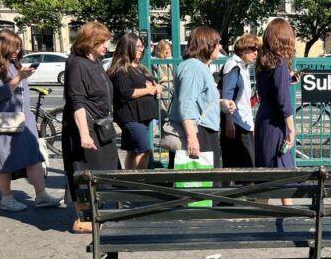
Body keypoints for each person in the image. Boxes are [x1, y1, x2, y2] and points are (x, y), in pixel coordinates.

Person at [0, 30, 61, 211]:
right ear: (2, 46)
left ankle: (41, 195)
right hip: (3, 118)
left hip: (24, 118)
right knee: (3, 158)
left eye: (19, 47)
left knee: (34, 156)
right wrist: (19, 77)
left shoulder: (14, 64)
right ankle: (6, 199)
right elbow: (0, 94)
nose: (17, 51)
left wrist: (22, 74)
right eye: (14, 47)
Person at [62, 22, 120, 233]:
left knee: (104, 169)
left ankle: (97, 213)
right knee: (84, 172)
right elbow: (77, 102)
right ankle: (83, 220)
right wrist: (84, 134)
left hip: (101, 126)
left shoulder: (94, 62)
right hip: (86, 128)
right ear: (90, 42)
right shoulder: (76, 64)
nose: (106, 46)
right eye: (102, 42)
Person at [169, 26, 235, 168]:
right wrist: (192, 138)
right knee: (201, 179)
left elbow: (198, 100)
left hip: (201, 130)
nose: (219, 47)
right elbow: (186, 103)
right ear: (208, 45)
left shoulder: (196, 66)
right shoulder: (194, 67)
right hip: (199, 133)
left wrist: (221, 103)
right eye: (217, 43)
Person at [107, 33, 162, 170]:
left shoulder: (139, 67)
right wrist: (149, 90)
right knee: (144, 150)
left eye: (142, 46)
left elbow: (148, 85)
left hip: (142, 116)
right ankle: (140, 179)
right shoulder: (121, 69)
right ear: (128, 47)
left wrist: (156, 87)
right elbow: (126, 93)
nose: (141, 49)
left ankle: (129, 178)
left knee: (133, 150)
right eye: (138, 46)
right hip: (130, 116)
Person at [255, 18, 297, 188]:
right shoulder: (281, 64)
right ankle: (287, 207)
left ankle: (263, 204)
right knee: (282, 173)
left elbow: (271, 89)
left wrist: (288, 80)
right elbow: (283, 101)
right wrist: (292, 129)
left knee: (266, 174)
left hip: (263, 120)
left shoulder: (263, 62)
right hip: (276, 125)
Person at [220, 33, 260, 168]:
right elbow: (227, 96)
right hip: (236, 124)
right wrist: (229, 121)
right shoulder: (234, 66)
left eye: (257, 50)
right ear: (243, 49)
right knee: (243, 165)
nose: (256, 53)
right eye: (253, 49)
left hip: (241, 122)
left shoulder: (242, 66)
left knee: (242, 165)